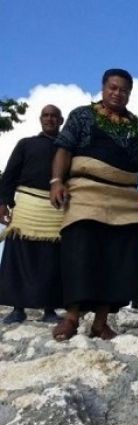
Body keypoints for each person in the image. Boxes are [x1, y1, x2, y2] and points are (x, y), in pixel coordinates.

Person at [49, 68, 138, 341]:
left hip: (125, 200)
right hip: (86, 193)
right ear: (103, 88)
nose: (117, 93)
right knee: (80, 253)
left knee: (121, 261)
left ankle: (101, 322)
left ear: (129, 94)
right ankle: (72, 317)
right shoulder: (82, 115)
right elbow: (63, 148)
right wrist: (56, 180)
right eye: (112, 88)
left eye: (123, 90)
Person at [0, 105, 65, 324]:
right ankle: (18, 308)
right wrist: (3, 203)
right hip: (26, 204)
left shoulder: (69, 149)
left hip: (55, 207)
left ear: (61, 120)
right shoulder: (26, 144)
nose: (50, 119)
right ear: (40, 119)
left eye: (54, 116)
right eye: (46, 115)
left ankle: (49, 309)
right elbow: (9, 175)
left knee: (52, 259)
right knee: (19, 256)